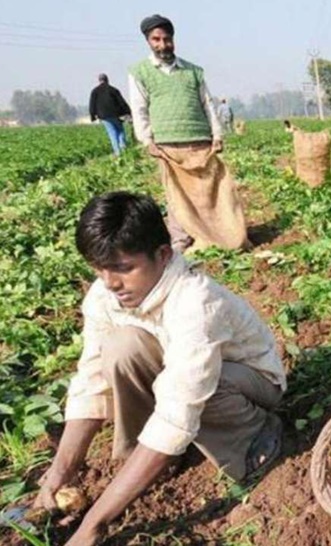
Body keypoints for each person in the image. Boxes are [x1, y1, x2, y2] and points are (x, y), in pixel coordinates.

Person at [33, 192, 285, 546]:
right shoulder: (106, 295)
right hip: (177, 370)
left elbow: (181, 404)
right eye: (99, 268)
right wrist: (61, 472)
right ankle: (154, 459)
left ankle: (252, 442)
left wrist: (94, 523)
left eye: (123, 268)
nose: (111, 282)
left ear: (163, 255)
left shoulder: (196, 301)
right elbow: (91, 382)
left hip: (250, 380)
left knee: (203, 386)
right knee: (121, 347)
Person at [128, 14, 248, 253]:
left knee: (208, 190)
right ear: (148, 41)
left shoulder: (193, 71)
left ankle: (216, 232)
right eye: (157, 39)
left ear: (174, 39)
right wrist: (146, 139)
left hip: (199, 139)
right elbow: (138, 107)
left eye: (167, 39)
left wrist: (217, 135)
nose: (163, 45)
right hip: (167, 143)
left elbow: (208, 105)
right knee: (176, 195)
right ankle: (181, 238)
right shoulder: (140, 72)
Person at [89, 74, 131, 156]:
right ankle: (123, 147)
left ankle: (117, 152)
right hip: (115, 115)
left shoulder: (95, 91)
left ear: (99, 80)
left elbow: (92, 105)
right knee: (120, 130)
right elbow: (122, 102)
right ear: (107, 80)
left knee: (112, 132)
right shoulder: (113, 90)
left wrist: (93, 116)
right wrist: (128, 112)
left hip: (104, 116)